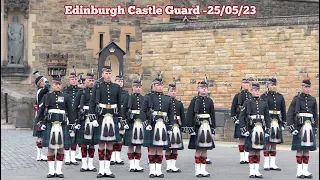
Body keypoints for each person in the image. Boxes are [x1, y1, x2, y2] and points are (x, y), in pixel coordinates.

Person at [37, 75, 77, 178]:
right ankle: (51, 171)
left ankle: (58, 170)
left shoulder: (66, 97)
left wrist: (72, 125)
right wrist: (40, 123)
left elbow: (70, 112)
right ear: (52, 85)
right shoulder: (47, 96)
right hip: (50, 124)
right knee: (50, 148)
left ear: (62, 85)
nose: (57, 86)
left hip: (62, 125)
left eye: (59, 84)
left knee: (60, 148)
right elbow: (41, 111)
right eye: (55, 84)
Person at [88, 65, 121, 178]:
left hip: (112, 117)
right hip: (101, 117)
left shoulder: (116, 87)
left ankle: (108, 169)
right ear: (102, 74)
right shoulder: (97, 87)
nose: (108, 75)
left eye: (109, 73)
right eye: (106, 73)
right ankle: (101, 169)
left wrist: (121, 119)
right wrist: (93, 118)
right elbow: (92, 103)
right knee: (102, 144)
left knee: (110, 144)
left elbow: (119, 104)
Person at [140, 75, 174, 178]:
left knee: (159, 148)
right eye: (157, 85)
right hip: (152, 124)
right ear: (153, 86)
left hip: (162, 125)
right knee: (152, 149)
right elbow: (143, 111)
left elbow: (171, 114)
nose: (159, 86)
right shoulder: (148, 97)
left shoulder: (167, 99)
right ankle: (152, 170)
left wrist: (170, 127)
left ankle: (158, 170)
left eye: (161, 84)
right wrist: (146, 123)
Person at [287, 77, 318, 179]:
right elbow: (290, 113)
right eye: (305, 87)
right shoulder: (296, 99)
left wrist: (316, 129)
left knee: (307, 149)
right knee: (300, 149)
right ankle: (299, 171)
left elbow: (315, 116)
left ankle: (305, 170)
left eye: (308, 87)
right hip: (299, 126)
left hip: (309, 126)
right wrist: (291, 127)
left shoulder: (313, 99)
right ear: (302, 87)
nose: (307, 89)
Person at [185, 77, 216, 178]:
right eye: (202, 88)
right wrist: (191, 128)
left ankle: (203, 169)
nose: (204, 89)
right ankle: (197, 170)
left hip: (206, 125)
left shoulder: (209, 101)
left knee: (205, 149)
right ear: (198, 89)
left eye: (205, 88)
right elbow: (189, 114)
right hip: (197, 126)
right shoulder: (194, 100)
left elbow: (212, 114)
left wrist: (213, 128)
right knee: (198, 149)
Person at [239, 82, 271, 178]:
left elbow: (267, 118)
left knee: (258, 151)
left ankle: (257, 170)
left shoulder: (263, 103)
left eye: (258, 90)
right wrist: (244, 129)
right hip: (251, 128)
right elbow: (242, 117)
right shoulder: (247, 102)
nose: (257, 92)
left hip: (260, 129)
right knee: (252, 151)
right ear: (251, 91)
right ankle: (251, 170)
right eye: (255, 90)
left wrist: (267, 129)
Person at [260, 78, 286, 171]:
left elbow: (283, 110)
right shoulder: (263, 96)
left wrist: (283, 123)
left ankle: (273, 163)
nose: (273, 86)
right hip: (268, 121)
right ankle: (266, 163)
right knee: (267, 143)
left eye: (275, 85)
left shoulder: (280, 96)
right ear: (268, 85)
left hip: (277, 121)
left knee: (274, 143)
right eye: (271, 85)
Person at [73, 72, 97, 172]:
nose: (91, 82)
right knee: (83, 143)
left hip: (94, 119)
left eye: (92, 81)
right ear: (85, 81)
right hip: (82, 119)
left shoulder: (97, 92)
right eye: (89, 80)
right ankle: (84, 164)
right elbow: (74, 107)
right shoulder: (81, 92)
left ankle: (90, 164)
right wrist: (75, 121)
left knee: (91, 143)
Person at [122, 76, 145, 172]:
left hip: (140, 123)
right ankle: (132, 165)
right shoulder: (128, 97)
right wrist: (124, 122)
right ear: (132, 88)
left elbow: (146, 111)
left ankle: (137, 164)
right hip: (131, 122)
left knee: (139, 145)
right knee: (131, 145)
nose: (138, 88)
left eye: (139, 87)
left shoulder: (144, 98)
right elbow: (123, 110)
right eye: (136, 87)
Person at [165, 83, 185, 173]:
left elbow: (182, 116)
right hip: (168, 126)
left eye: (174, 91)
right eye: (171, 91)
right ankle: (169, 166)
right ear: (168, 92)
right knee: (169, 147)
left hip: (177, 126)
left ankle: (174, 165)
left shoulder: (179, 104)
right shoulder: (165, 101)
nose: (173, 92)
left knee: (175, 147)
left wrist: (183, 127)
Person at [230, 78, 252, 164]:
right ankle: (242, 157)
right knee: (241, 139)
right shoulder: (238, 96)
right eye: (245, 83)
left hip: (249, 119)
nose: (246, 85)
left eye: (248, 84)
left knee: (248, 138)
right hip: (240, 118)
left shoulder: (251, 95)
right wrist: (235, 118)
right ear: (242, 84)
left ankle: (246, 156)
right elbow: (233, 108)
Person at [62, 69, 81, 165]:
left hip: (77, 116)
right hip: (67, 116)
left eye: (75, 79)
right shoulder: (65, 91)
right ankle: (67, 157)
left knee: (75, 137)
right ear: (69, 80)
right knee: (67, 137)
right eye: (72, 79)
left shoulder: (80, 91)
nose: (74, 80)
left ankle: (73, 157)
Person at [110, 74, 128, 165]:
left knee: (120, 137)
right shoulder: (112, 91)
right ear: (115, 82)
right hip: (114, 115)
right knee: (113, 137)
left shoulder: (125, 93)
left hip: (122, 116)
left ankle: (118, 156)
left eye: (121, 81)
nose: (120, 83)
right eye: (118, 81)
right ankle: (112, 156)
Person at [32, 71, 50, 161]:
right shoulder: (42, 91)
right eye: (43, 81)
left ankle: (39, 155)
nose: (44, 82)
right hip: (42, 116)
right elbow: (48, 87)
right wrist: (46, 81)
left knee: (41, 136)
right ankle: (39, 155)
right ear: (39, 84)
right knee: (40, 136)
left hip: (40, 115)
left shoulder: (40, 91)